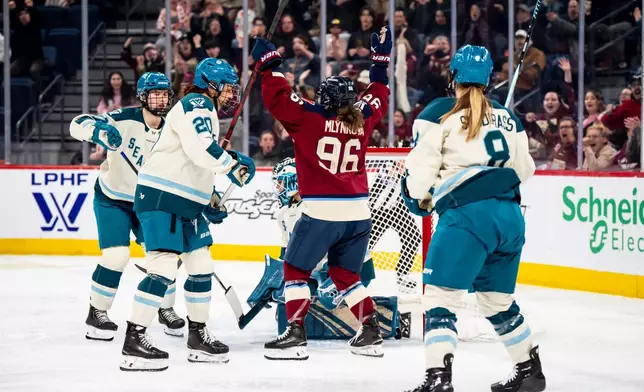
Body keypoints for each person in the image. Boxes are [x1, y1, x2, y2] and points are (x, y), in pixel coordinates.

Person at [401, 45, 543, 392]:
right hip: (510, 216)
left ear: (453, 77)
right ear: (490, 78)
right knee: (497, 301)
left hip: (467, 217)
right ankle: (530, 371)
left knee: (439, 299)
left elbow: (419, 173)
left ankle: (438, 380)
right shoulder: (510, 117)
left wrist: (418, 197)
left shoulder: (440, 114)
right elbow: (526, 169)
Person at [251, 26, 392, 360]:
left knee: (296, 270)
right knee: (345, 274)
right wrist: (380, 61)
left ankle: (296, 334)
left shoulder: (311, 117)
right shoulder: (363, 118)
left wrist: (269, 64)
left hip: (322, 211)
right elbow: (379, 94)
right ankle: (369, 329)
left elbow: (278, 98)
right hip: (359, 213)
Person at [120, 58, 256, 371]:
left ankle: (197, 336)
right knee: (164, 268)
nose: (231, 93)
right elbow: (201, 148)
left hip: (184, 202)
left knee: (201, 264)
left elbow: (193, 160)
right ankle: (134, 339)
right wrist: (231, 164)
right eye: (228, 86)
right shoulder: (196, 103)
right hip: (162, 198)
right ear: (211, 84)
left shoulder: (203, 108)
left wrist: (210, 197)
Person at [69, 72, 186, 341]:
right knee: (116, 256)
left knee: (165, 257)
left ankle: (165, 308)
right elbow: (77, 124)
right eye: (155, 94)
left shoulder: (174, 129)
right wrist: (98, 131)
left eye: (165, 93)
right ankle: (96, 311)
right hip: (113, 198)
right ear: (143, 97)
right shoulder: (122, 118)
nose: (161, 99)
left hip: (150, 202)